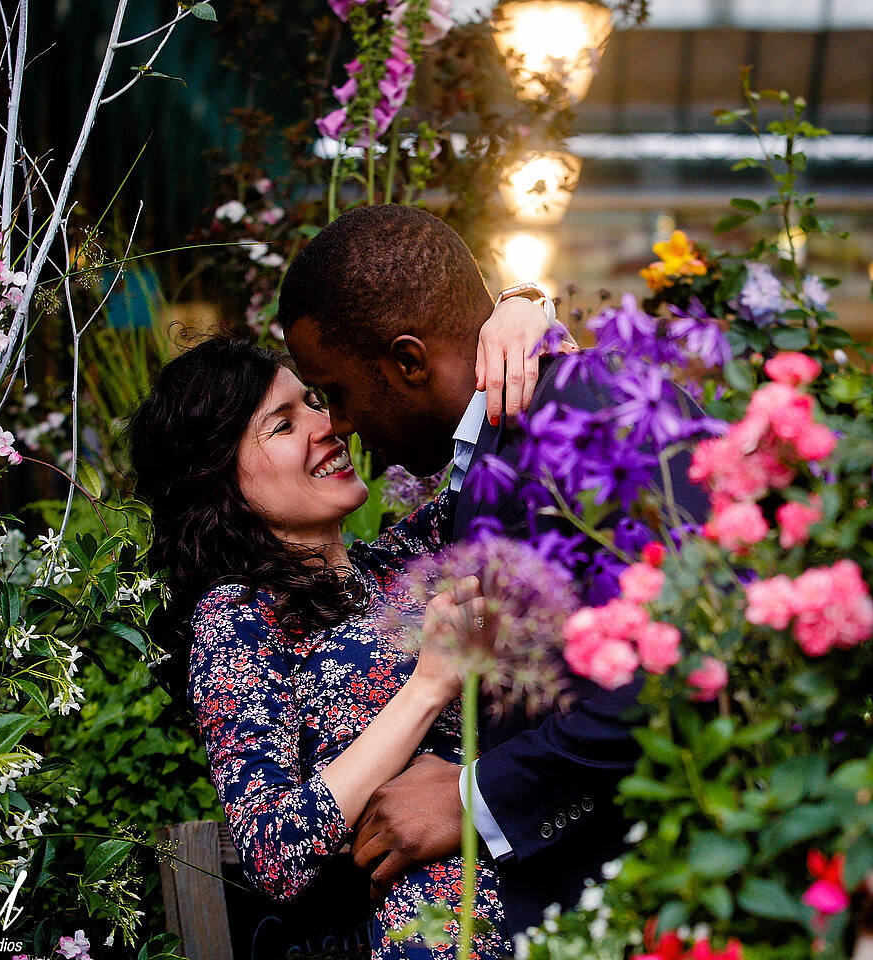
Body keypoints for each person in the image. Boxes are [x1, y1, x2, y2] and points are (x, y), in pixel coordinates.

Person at [276, 204, 708, 934]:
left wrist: (474, 799)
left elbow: (691, 654)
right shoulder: (489, 458)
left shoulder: (590, 411)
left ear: (408, 363)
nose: (339, 425)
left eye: (337, 392)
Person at [128, 299, 554, 960]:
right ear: (221, 481)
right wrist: (428, 687)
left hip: (543, 874)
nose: (327, 425)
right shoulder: (239, 617)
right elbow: (273, 853)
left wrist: (524, 309)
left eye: (314, 403)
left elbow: (493, 463)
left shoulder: (400, 561)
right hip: (437, 930)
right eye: (283, 423)